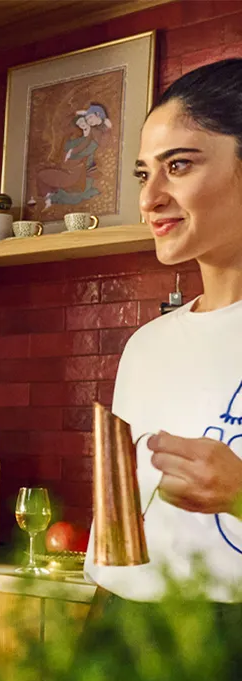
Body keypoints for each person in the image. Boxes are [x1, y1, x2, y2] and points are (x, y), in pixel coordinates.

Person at [86, 59, 242, 603]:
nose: (149, 198)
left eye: (178, 166)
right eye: (142, 173)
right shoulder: (146, 346)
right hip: (119, 634)